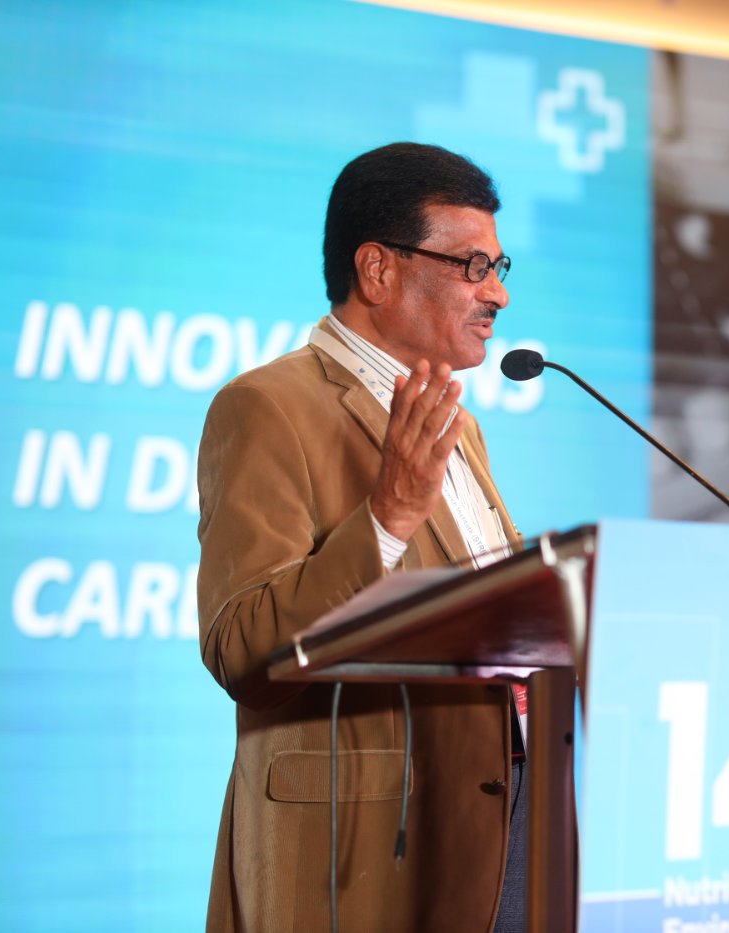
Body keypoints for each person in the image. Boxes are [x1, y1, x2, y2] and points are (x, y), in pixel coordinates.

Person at [196, 143, 525, 932]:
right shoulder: (268, 405)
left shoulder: (460, 427)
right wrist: (387, 517)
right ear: (377, 270)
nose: (499, 293)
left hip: (500, 826)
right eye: (473, 266)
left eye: (499, 266)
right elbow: (241, 647)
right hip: (361, 857)